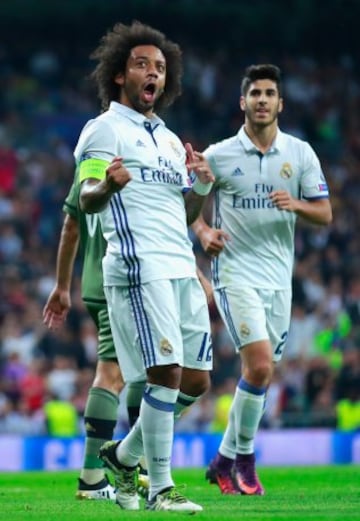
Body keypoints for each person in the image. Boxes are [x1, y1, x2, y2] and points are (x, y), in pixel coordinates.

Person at [76, 21, 214, 512]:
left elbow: (184, 215)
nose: (152, 72)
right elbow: (87, 197)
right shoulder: (104, 129)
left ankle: (123, 452)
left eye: (159, 67)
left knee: (197, 380)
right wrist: (108, 186)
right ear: (119, 75)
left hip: (180, 264)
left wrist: (200, 187)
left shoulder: (173, 142)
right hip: (139, 267)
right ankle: (159, 488)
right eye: (141, 64)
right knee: (166, 373)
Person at [192, 64, 332, 495]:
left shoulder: (300, 153)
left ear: (280, 103)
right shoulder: (218, 155)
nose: (262, 100)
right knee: (259, 364)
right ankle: (245, 462)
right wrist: (203, 232)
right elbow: (190, 201)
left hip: (278, 278)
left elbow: (324, 215)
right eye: (255, 93)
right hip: (234, 273)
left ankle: (222, 460)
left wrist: (296, 206)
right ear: (243, 102)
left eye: (270, 93)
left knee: (261, 374)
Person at [43, 175, 147, 500]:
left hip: (94, 280)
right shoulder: (129, 163)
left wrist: (62, 286)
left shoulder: (88, 166)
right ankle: (93, 476)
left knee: (140, 371)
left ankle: (137, 465)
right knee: (113, 373)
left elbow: (70, 228)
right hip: (120, 280)